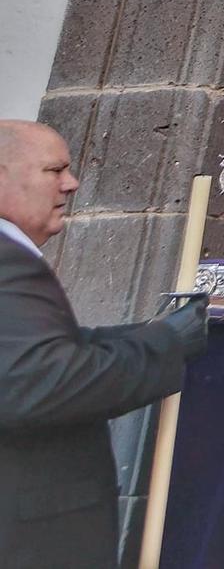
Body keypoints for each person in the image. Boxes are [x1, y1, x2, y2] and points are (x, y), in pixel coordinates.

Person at [0, 119, 209, 567]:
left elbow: (37, 355)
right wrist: (166, 344)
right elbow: (38, 382)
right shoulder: (6, 260)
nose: (71, 184)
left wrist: (146, 332)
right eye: (54, 170)